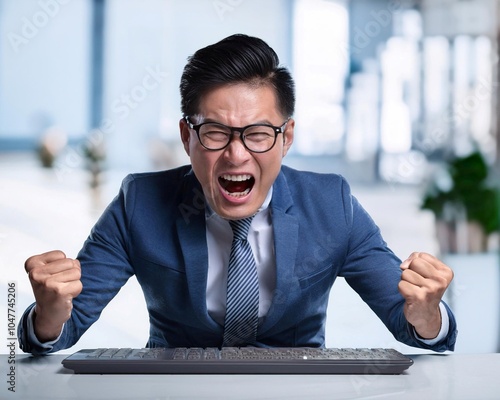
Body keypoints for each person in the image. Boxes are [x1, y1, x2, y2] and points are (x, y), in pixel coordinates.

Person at [19, 34, 457, 355]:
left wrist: (427, 315)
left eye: (258, 134)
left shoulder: (332, 204)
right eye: (214, 132)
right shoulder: (140, 202)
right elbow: (59, 330)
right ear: (186, 137)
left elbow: (415, 326)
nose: (235, 154)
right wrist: (49, 313)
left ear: (286, 138)